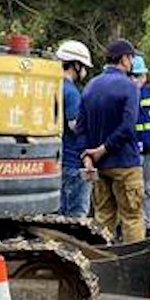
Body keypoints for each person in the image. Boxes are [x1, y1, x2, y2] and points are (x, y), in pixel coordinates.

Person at [79, 39, 144, 244]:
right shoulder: (129, 86)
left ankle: (100, 263)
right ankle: (135, 267)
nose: (132, 62)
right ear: (124, 59)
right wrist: (104, 148)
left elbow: (81, 127)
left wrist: (88, 156)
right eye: (131, 57)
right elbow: (127, 126)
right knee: (131, 218)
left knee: (102, 219)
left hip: (100, 167)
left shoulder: (90, 86)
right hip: (125, 163)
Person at [55, 39, 91, 217]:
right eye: (83, 66)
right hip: (73, 161)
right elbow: (75, 125)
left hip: (57, 159)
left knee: (57, 213)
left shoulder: (52, 86)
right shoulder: (71, 92)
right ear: (75, 65)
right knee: (76, 214)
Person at [131, 53, 150, 238]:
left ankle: (149, 223)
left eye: (140, 76)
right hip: (133, 150)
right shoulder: (125, 94)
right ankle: (133, 224)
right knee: (132, 189)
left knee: (149, 188)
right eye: (133, 76)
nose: (137, 80)